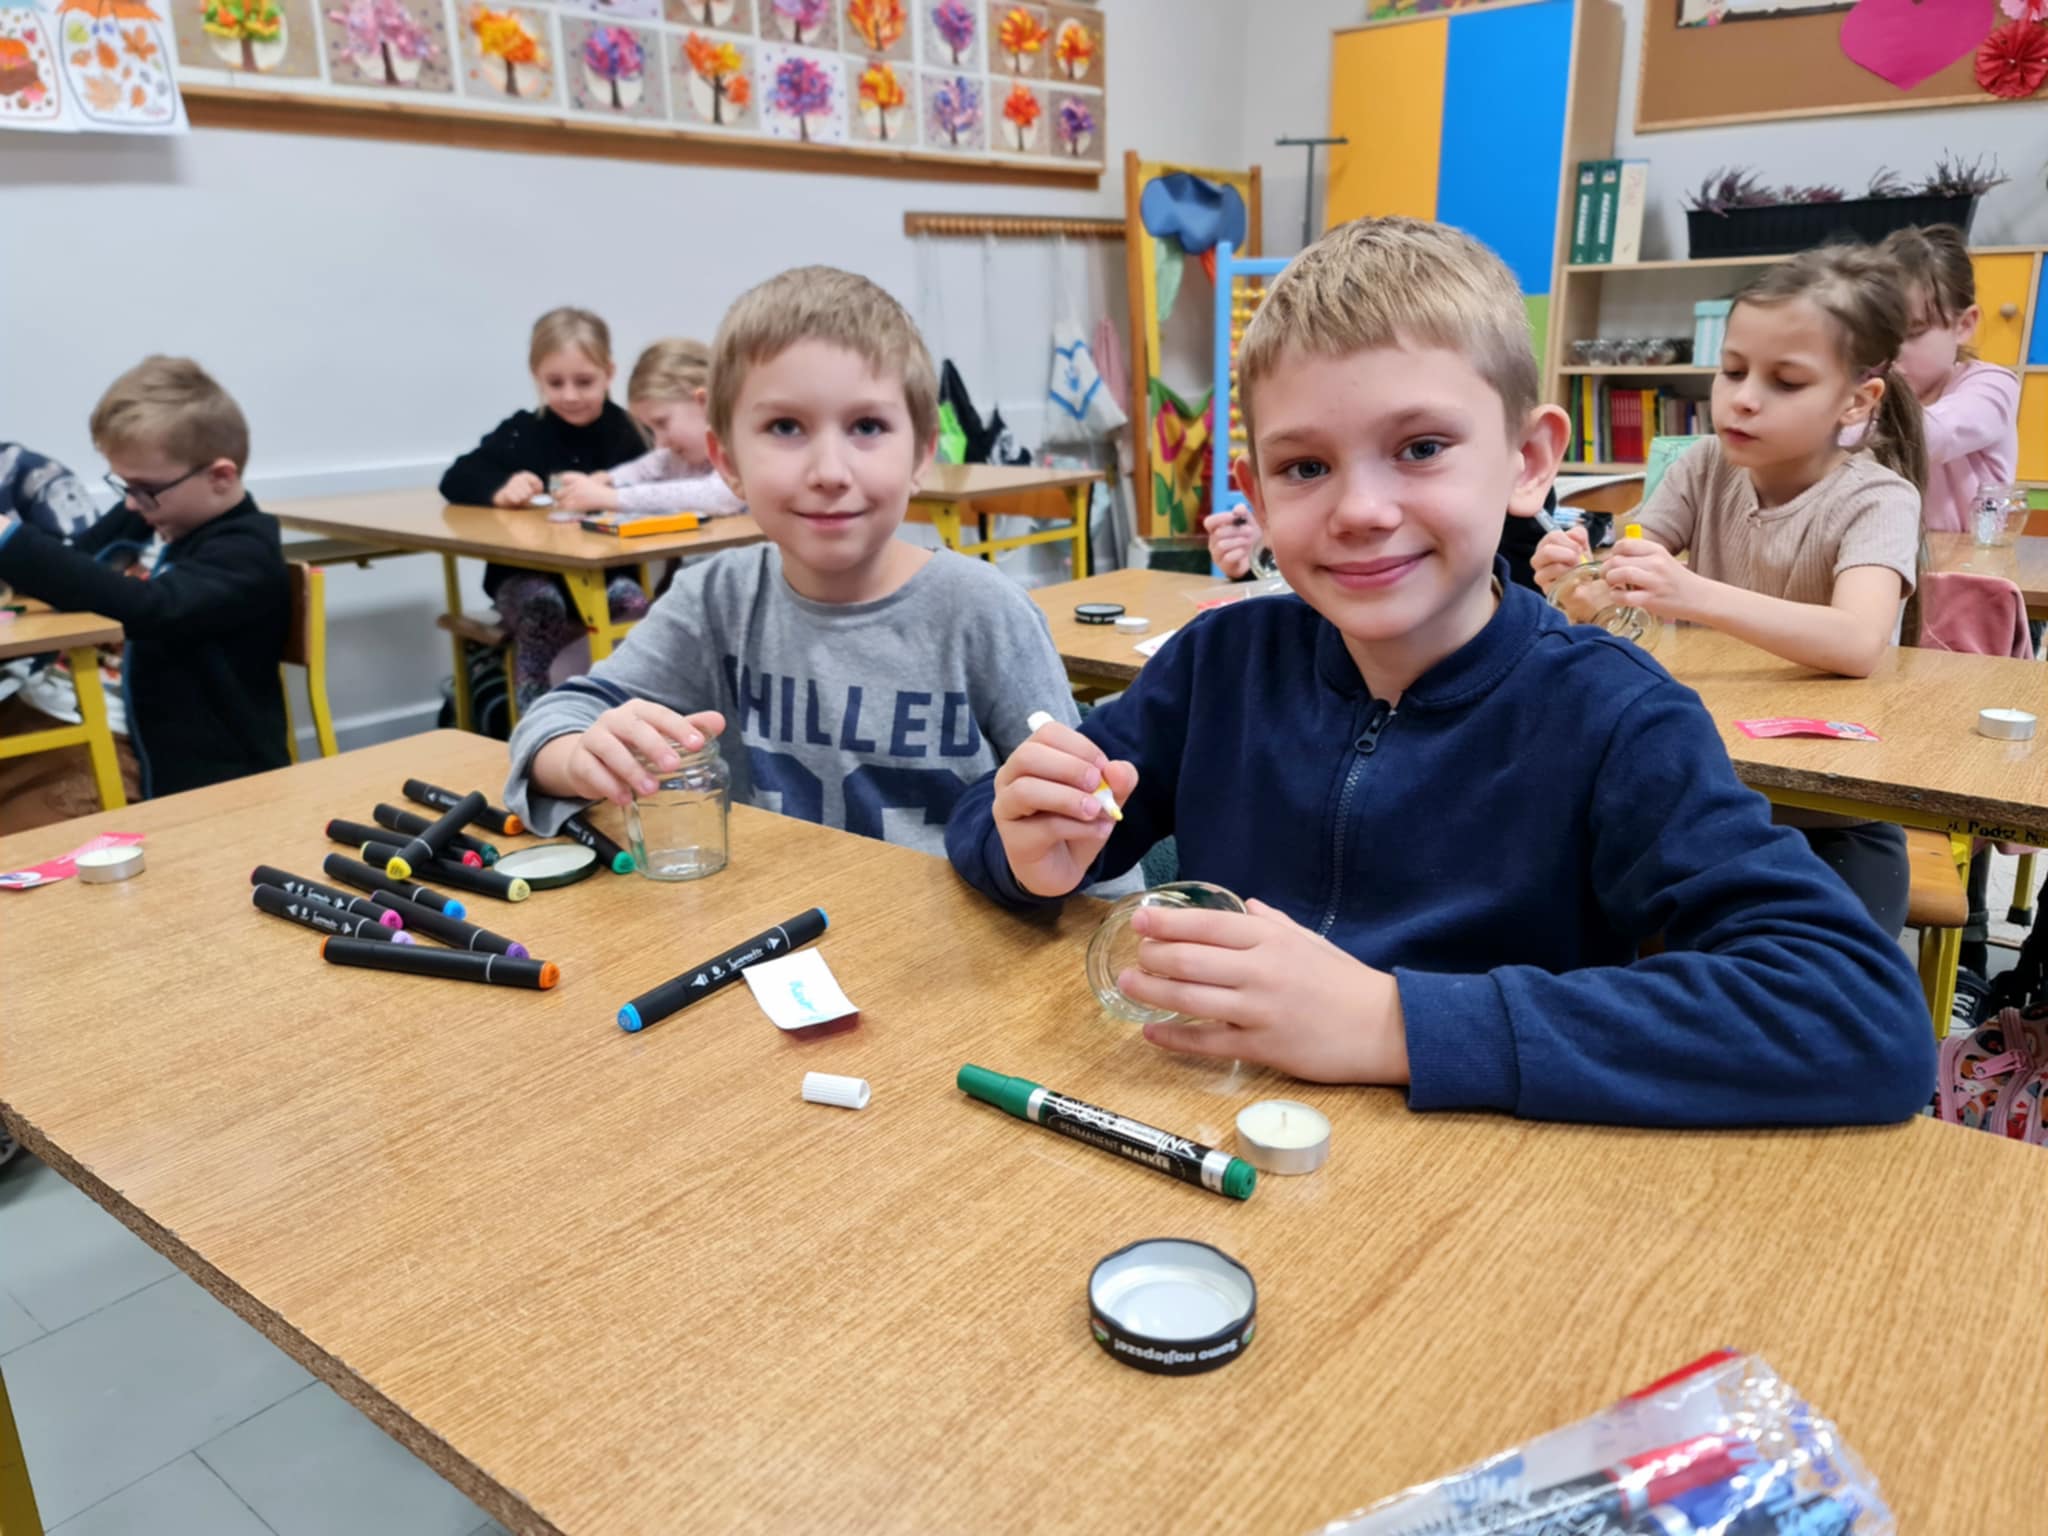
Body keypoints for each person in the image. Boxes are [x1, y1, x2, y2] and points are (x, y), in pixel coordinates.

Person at [946, 217, 1931, 1128]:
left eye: (1420, 449)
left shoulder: (1615, 715)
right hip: (1214, 1133)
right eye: (1304, 467)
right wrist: (1024, 846)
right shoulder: (1220, 665)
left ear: (1527, 461)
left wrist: (1390, 1023)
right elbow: (997, 823)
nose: (1360, 510)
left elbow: (1859, 1017)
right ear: (1256, 493)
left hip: (1470, 1196)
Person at [503, 266, 1086, 864]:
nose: (829, 472)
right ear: (727, 460)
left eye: (867, 426)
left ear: (921, 452)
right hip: (774, 916)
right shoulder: (713, 601)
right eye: (785, 427)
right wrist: (581, 755)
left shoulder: (985, 613)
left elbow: (1089, 832)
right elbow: (553, 722)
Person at [1532, 243, 1927, 932]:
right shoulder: (1704, 464)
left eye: (1786, 382)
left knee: (1825, 976)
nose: (1742, 399)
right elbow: (1622, 577)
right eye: (1733, 370)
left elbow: (1859, 642)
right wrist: (1577, 578)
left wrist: (1692, 594)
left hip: (1830, 816)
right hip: (1699, 790)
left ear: (1857, 400)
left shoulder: (1879, 499)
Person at [0, 356, 288, 798]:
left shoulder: (247, 553)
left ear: (220, 476)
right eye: (124, 487)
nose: (132, 503)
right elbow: (75, 569)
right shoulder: (144, 515)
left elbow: (151, 608)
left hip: (140, 748)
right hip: (47, 708)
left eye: (144, 489)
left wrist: (9, 540)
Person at [439, 306, 652, 712]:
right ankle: (537, 718)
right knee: (542, 605)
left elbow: (657, 488)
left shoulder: (629, 433)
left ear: (609, 372)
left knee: (632, 604)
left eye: (584, 381)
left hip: (606, 574)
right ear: (536, 376)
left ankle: (624, 711)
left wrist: (612, 491)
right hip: (525, 575)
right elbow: (456, 477)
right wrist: (500, 489)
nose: (569, 395)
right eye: (555, 383)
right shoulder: (524, 431)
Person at [1876, 224, 2019, 534]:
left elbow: (1936, 434)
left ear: (1963, 325)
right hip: (1891, 549)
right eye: (1880, 336)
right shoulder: (1873, 389)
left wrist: (1828, 433)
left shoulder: (1992, 385)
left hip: (1972, 555)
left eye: (1913, 333)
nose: (1891, 353)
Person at [550, 338, 745, 520]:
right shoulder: (677, 458)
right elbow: (644, 468)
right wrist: (605, 480)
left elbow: (721, 496)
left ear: (705, 402)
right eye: (652, 430)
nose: (660, 443)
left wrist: (611, 497)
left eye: (662, 423)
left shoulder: (741, 449)